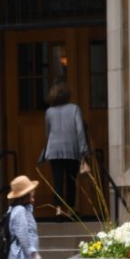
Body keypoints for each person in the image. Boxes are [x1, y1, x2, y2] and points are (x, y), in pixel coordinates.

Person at [40, 81, 89, 219]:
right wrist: (84, 149)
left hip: (54, 149)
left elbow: (48, 132)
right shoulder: (74, 108)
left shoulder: (49, 112)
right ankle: (70, 209)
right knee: (71, 180)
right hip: (71, 148)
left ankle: (58, 209)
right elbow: (80, 130)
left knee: (57, 180)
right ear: (67, 94)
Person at [2, 174, 44, 259]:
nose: (33, 192)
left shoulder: (23, 209)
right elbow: (24, 238)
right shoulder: (19, 211)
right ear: (25, 194)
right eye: (31, 190)